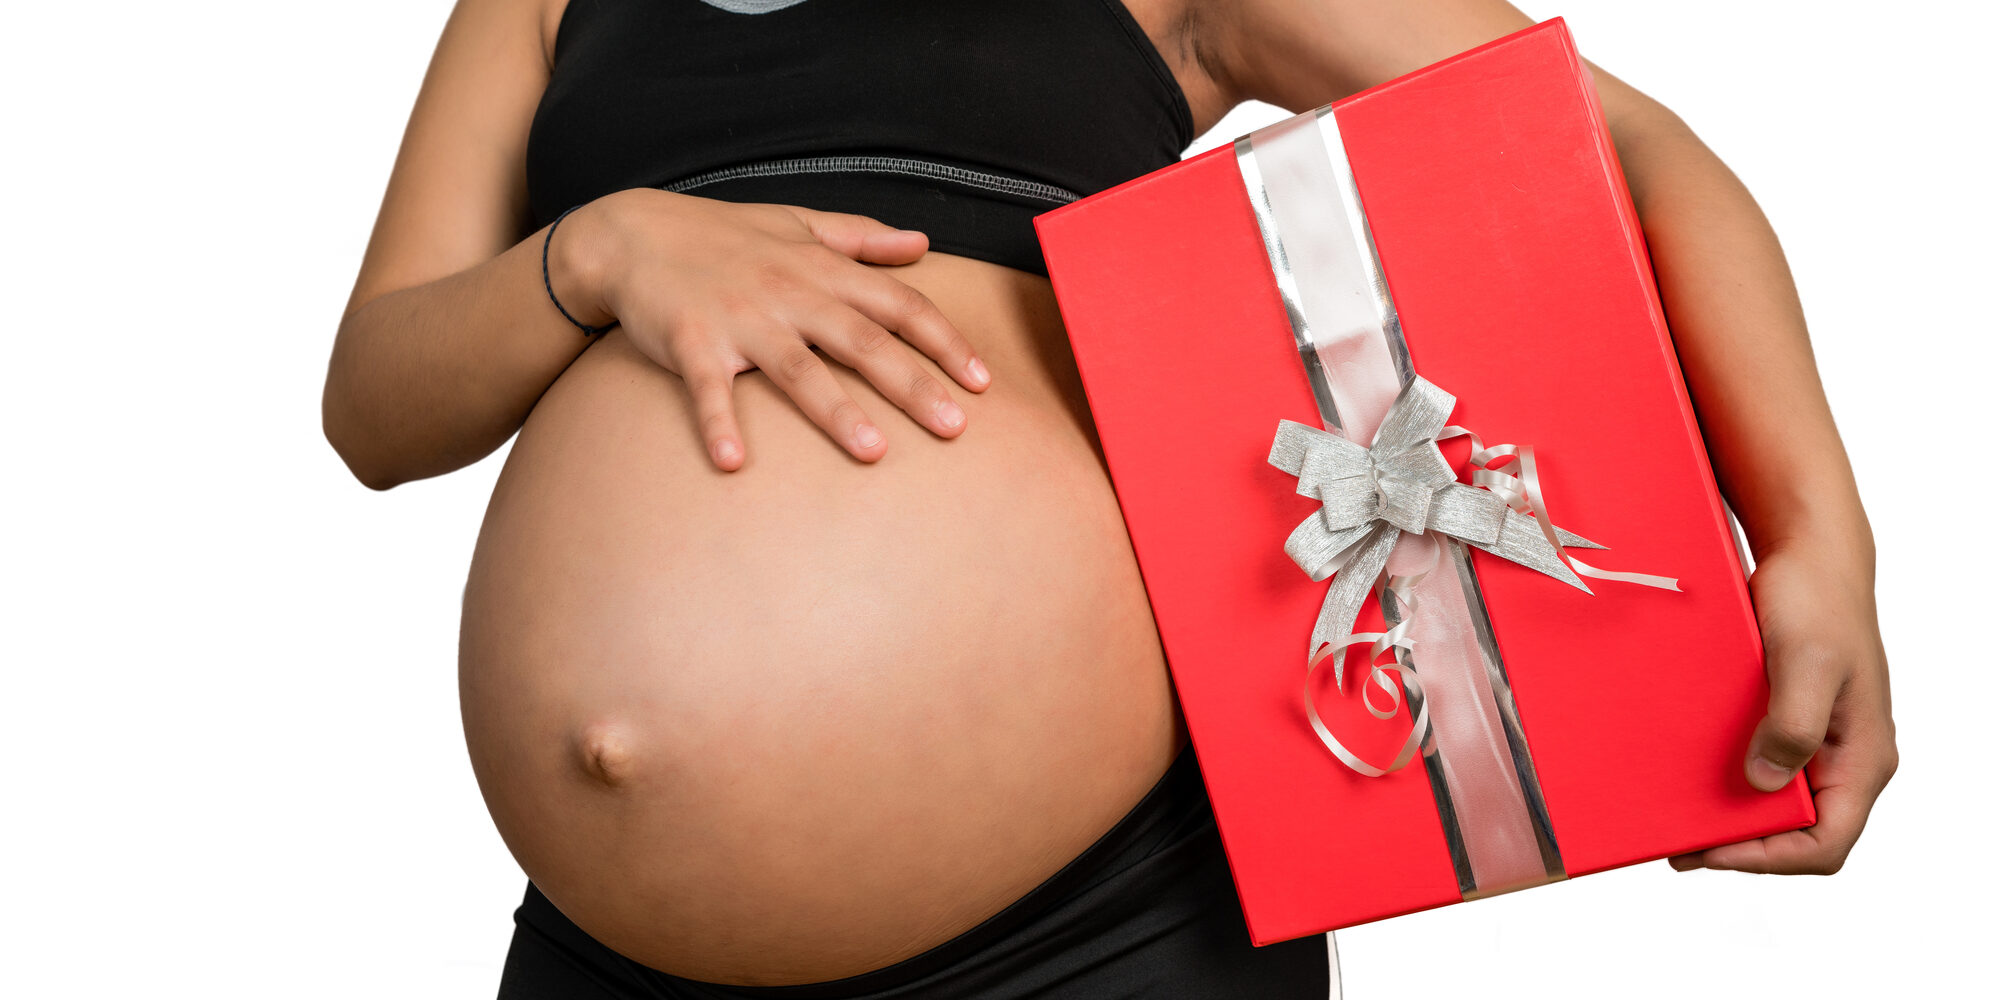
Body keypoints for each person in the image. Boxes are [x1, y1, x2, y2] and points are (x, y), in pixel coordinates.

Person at [320, 1, 1897, 996]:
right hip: (617, 954)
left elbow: (1621, 145)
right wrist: (595, 254)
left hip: (1103, 924)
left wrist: (1820, 535)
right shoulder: (538, 3)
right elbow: (377, 401)